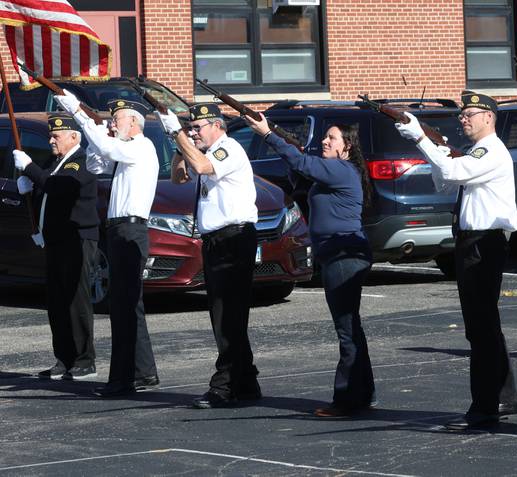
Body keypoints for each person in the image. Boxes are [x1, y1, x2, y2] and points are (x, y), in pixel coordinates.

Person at [395, 92, 517, 430]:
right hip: (473, 242)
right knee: (485, 325)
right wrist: (439, 150)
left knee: (479, 328)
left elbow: (452, 170)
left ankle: (485, 405)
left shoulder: (490, 150)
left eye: (470, 114)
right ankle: (502, 396)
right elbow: (446, 179)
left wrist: (421, 137)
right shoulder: (478, 152)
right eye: (462, 114)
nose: (463, 119)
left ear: (489, 118)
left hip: (483, 243)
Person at [244, 113, 376, 417]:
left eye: (331, 138)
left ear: (347, 147)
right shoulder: (336, 170)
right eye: (325, 137)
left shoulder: (342, 169)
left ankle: (347, 399)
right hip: (337, 254)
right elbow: (300, 172)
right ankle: (361, 392)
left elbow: (304, 165)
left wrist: (269, 135)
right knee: (351, 327)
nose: (325, 142)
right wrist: (291, 149)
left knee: (346, 329)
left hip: (344, 255)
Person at [54, 93, 160, 397]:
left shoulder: (141, 146)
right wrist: (98, 132)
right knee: (130, 307)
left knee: (123, 309)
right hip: (119, 231)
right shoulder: (124, 149)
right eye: (112, 120)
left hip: (130, 231)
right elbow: (96, 162)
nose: (113, 124)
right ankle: (143, 372)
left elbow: (105, 146)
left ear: (135, 124)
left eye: (117, 120)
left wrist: (81, 114)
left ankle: (122, 380)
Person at [158, 103, 261, 409]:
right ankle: (246, 381)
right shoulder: (206, 150)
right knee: (227, 315)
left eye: (198, 127)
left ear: (217, 125)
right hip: (216, 241)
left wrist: (179, 135)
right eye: (191, 128)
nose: (194, 132)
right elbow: (179, 178)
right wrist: (179, 144)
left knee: (226, 315)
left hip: (233, 239)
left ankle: (224, 386)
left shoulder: (227, 149)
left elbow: (202, 167)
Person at [13, 114, 99, 381]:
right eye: (51, 135)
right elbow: (48, 190)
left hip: (78, 239)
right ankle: (64, 358)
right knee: (57, 302)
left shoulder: (79, 162)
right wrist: (29, 189)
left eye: (56, 136)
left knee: (76, 301)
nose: (51, 139)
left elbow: (58, 188)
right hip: (56, 241)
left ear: (74, 137)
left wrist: (29, 168)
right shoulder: (57, 161)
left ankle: (85, 360)